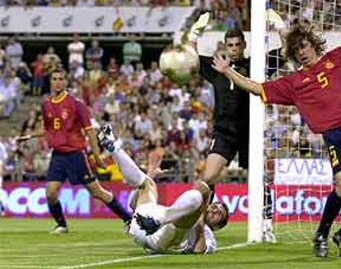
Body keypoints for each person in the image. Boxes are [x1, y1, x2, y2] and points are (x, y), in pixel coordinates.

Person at [211, 0, 341, 258]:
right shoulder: (294, 84)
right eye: (297, 50)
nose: (302, 52)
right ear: (293, 54)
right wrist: (228, 71)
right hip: (336, 134)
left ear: (314, 45)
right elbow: (257, 87)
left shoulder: (338, 57)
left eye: (305, 46)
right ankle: (321, 233)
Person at [188, 13, 276, 242]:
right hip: (224, 131)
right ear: (225, 46)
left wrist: (279, 25)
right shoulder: (216, 66)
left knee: (259, 178)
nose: (234, 48)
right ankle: (202, 224)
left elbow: (284, 53)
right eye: (230, 44)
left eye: (238, 44)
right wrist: (195, 32)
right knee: (208, 177)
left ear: (244, 45)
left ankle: (267, 224)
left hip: (251, 130)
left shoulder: (255, 64)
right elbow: (189, 57)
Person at [16, 68, 131, 233]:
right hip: (58, 155)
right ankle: (62, 224)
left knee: (97, 192)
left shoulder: (76, 105)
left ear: (65, 82)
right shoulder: (46, 105)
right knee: (50, 193)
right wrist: (29, 136)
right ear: (50, 82)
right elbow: (48, 129)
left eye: (61, 78)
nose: (57, 82)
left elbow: (90, 131)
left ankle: (127, 219)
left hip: (76, 154)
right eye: (54, 79)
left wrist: (97, 156)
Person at [97, 124, 229, 254]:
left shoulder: (209, 235)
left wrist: (199, 216)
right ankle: (113, 147)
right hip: (143, 226)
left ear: (218, 226)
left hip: (167, 240)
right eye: (215, 206)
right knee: (148, 183)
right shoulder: (180, 210)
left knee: (203, 191)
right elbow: (132, 204)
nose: (213, 209)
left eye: (218, 214)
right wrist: (150, 175)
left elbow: (199, 250)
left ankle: (159, 221)